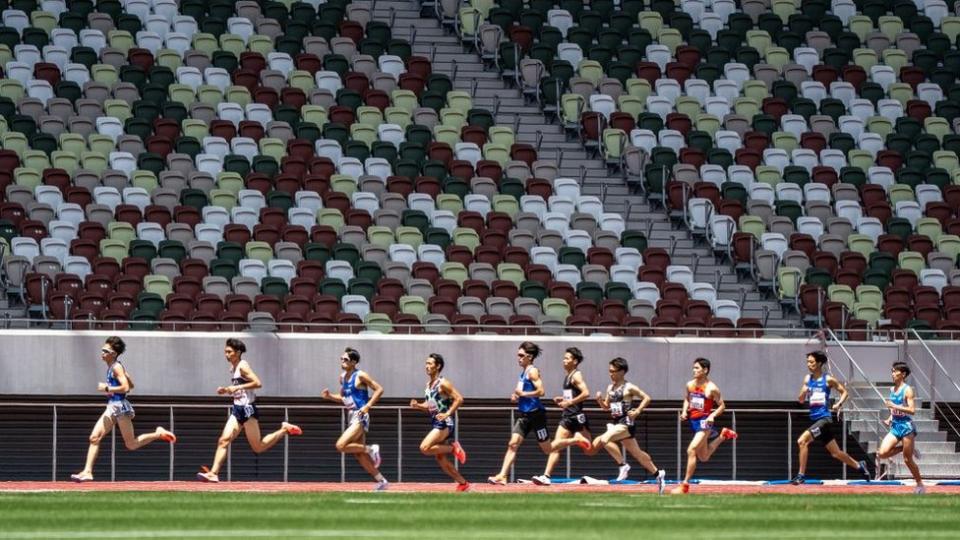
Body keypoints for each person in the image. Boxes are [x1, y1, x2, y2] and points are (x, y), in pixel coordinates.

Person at [71, 336, 176, 482]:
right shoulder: (114, 367)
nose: (102, 352)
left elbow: (125, 388)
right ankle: (87, 471)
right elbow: (130, 385)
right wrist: (125, 378)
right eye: (102, 350)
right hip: (112, 407)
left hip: (119, 407)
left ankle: (158, 434)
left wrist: (106, 387)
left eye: (105, 350)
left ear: (113, 353)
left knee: (131, 444)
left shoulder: (116, 367)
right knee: (94, 437)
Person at [197, 338, 302, 482]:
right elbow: (239, 389)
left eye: (229, 352)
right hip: (237, 409)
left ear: (238, 352)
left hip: (247, 410)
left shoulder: (243, 366)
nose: (226, 355)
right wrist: (227, 389)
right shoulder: (233, 368)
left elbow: (258, 383)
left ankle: (284, 429)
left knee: (258, 447)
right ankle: (214, 473)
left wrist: (236, 387)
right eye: (225, 352)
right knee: (223, 440)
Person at [791, 350, 871, 485]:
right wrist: (803, 392)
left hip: (824, 419)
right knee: (836, 453)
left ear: (819, 363)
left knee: (802, 441)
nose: (808, 364)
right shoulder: (807, 379)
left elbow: (844, 392)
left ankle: (801, 475)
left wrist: (839, 404)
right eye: (807, 362)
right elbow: (800, 400)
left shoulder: (828, 379)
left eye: (811, 362)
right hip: (816, 420)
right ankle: (859, 466)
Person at [591, 357, 667, 494]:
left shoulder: (629, 387)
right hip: (617, 422)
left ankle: (623, 465)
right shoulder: (610, 387)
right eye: (609, 371)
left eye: (613, 371)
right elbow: (606, 407)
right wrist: (599, 400)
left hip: (626, 424)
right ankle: (658, 474)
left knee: (604, 439)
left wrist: (637, 411)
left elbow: (647, 398)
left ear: (622, 372)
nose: (610, 374)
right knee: (638, 454)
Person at [321, 347, 388, 490]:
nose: (342, 361)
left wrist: (368, 406)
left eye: (345, 359)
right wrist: (330, 397)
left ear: (354, 362)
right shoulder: (342, 378)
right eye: (341, 359)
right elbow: (344, 398)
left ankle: (371, 448)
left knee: (340, 445)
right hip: (351, 415)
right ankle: (382, 481)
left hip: (360, 414)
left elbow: (379, 389)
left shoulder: (361, 375)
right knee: (359, 454)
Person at [488, 341, 552, 485]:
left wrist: (523, 393)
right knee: (512, 444)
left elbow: (541, 392)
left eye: (521, 355)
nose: (518, 358)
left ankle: (573, 440)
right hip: (524, 416)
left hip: (536, 415)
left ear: (529, 357)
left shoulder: (533, 371)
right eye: (518, 355)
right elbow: (523, 393)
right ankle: (502, 475)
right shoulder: (523, 373)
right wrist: (516, 396)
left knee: (548, 449)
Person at [672, 358, 738, 494]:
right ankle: (722, 435)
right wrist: (685, 411)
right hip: (694, 421)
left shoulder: (712, 388)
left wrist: (712, 416)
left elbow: (722, 406)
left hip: (705, 422)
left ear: (705, 370)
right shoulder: (690, 385)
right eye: (693, 368)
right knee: (704, 457)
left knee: (691, 450)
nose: (694, 370)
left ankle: (684, 486)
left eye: (697, 368)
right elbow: (686, 398)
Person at [532, 347, 595, 486]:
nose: (564, 360)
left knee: (590, 450)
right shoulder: (568, 376)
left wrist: (569, 402)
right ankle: (546, 476)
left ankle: (617, 456)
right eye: (564, 358)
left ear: (575, 361)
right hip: (567, 416)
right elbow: (573, 395)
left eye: (567, 358)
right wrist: (563, 399)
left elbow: (586, 393)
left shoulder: (576, 375)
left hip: (577, 416)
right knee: (555, 445)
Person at [409, 353, 470, 491]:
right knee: (441, 459)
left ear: (438, 366)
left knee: (424, 448)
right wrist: (418, 405)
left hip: (445, 422)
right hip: (436, 422)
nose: (427, 366)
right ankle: (463, 483)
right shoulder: (428, 385)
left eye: (430, 364)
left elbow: (459, 399)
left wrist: (448, 413)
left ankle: (454, 448)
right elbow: (430, 406)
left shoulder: (443, 383)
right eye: (426, 363)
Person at [876, 362, 924, 494]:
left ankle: (920, 484)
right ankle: (907, 448)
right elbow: (894, 409)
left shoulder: (907, 390)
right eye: (892, 371)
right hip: (895, 425)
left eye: (895, 371)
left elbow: (912, 410)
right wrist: (890, 418)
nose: (892, 373)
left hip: (906, 426)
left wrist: (893, 406)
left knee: (907, 459)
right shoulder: (892, 390)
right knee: (882, 453)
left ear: (902, 374)